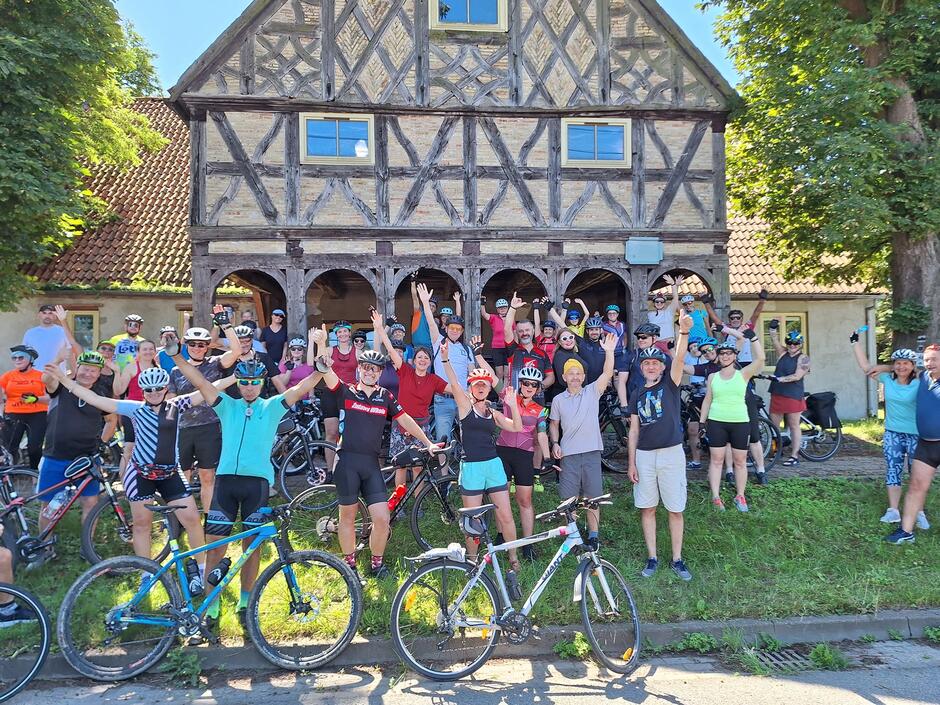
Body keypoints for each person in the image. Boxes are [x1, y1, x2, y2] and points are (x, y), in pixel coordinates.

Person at [168, 333, 325, 624]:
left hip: (257, 485)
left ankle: (245, 599)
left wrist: (319, 370)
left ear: (262, 383)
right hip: (226, 482)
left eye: (254, 382)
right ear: (238, 383)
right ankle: (212, 603)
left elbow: (302, 387)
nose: (249, 387)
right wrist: (177, 355)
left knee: (252, 546)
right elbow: (200, 382)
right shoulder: (228, 404)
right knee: (216, 544)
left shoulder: (272, 406)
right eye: (244, 382)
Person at [43, 360, 207, 585]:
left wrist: (237, 374)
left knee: (192, 519)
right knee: (141, 524)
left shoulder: (177, 405)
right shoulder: (134, 408)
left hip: (170, 473)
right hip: (139, 474)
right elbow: (97, 400)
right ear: (143, 392)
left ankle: (202, 568)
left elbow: (208, 389)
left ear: (166, 389)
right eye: (148, 390)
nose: (154, 393)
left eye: (159, 388)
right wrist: (63, 380)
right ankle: (146, 574)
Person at [321, 341, 437, 579]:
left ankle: (376, 565)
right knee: (348, 517)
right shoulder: (348, 391)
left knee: (383, 519)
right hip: (347, 462)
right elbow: (326, 371)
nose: (370, 371)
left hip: (371, 465)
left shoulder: (385, 396)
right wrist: (320, 343)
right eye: (366, 367)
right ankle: (350, 566)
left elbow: (406, 420)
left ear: (380, 372)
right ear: (360, 369)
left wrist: (427, 443)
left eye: (375, 369)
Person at [440, 346, 524, 589]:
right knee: (473, 521)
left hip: (493, 466)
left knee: (506, 516)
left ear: (488, 389)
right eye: (476, 384)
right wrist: (445, 358)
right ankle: (473, 562)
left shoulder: (492, 412)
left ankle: (513, 559)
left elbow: (516, 427)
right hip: (473, 468)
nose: (480, 387)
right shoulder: (465, 406)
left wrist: (513, 404)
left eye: (484, 384)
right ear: (471, 388)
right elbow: (454, 383)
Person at [628, 311, 693, 581]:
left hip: (670, 453)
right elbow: (633, 429)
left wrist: (684, 331)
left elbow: (679, 357)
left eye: (656, 363)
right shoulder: (636, 393)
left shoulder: (670, 384)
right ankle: (652, 556)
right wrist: (631, 462)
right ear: (641, 368)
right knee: (648, 507)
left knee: (675, 509)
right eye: (647, 364)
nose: (652, 367)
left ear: (662, 367)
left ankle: (677, 559)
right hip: (644, 455)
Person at [38, 352, 118, 547]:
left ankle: (87, 546)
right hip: (55, 455)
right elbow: (47, 380)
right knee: (48, 505)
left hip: (87, 459)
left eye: (93, 370)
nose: (88, 373)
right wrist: (57, 359)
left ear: (99, 374)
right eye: (85, 368)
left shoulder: (100, 394)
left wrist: (102, 443)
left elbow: (111, 420)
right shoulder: (62, 386)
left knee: (90, 503)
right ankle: (45, 546)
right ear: (77, 368)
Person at [548, 333, 618, 549]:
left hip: (591, 453)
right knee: (568, 499)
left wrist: (609, 352)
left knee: (593, 497)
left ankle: (594, 535)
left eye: (579, 373)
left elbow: (607, 373)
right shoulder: (558, 400)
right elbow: (553, 424)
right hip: (568, 455)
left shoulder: (592, 392)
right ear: (564, 377)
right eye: (571, 374)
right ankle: (573, 533)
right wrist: (555, 443)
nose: (576, 377)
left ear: (584, 376)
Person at [167, 307, 240, 509]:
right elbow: (172, 402)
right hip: (183, 429)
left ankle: (209, 518)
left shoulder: (215, 364)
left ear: (208, 347)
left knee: (208, 476)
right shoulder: (176, 370)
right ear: (186, 346)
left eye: (201, 345)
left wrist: (226, 325)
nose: (197, 348)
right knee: (183, 477)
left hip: (209, 427)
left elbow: (236, 351)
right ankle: (180, 519)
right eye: (192, 344)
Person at [371, 310, 451, 489]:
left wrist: (473, 391)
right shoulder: (405, 370)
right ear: (413, 360)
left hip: (421, 427)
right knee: (400, 467)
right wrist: (380, 329)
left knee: (418, 468)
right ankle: (399, 503)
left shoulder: (433, 380)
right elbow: (390, 350)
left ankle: (417, 504)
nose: (423, 360)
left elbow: (453, 389)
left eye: (426, 358)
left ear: (430, 362)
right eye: (419, 357)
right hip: (400, 425)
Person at [851, 339, 925, 526]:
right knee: (893, 470)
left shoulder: (921, 381)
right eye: (898, 363)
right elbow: (866, 367)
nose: (901, 367)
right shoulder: (887, 379)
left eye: (906, 363)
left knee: (916, 474)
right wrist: (855, 344)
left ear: (912, 366)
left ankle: (919, 512)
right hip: (893, 433)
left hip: (916, 433)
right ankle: (893, 511)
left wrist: (889, 367)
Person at [699, 328, 765, 512]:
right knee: (716, 461)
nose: (725, 356)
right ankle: (716, 497)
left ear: (735, 355)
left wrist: (755, 339)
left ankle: (740, 496)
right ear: (718, 356)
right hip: (717, 422)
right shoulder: (712, 376)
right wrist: (702, 422)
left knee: (740, 461)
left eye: (729, 353)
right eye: (722, 353)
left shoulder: (743, 374)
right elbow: (707, 400)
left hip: (739, 422)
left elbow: (760, 359)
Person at [885, 344, 940, 544]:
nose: (930, 363)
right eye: (926, 360)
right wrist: (885, 367)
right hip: (926, 444)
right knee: (916, 486)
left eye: (934, 359)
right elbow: (899, 368)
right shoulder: (923, 378)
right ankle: (906, 532)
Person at [496, 366, 551, 560]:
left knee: (525, 500)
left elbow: (542, 435)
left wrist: (547, 456)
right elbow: (494, 380)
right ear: (520, 383)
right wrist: (478, 356)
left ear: (537, 388)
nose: (529, 387)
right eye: (526, 383)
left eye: (533, 384)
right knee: (501, 499)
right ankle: (501, 535)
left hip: (524, 456)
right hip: (503, 452)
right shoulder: (508, 396)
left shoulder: (540, 410)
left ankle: (527, 543)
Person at [418, 284, 476, 444]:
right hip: (442, 399)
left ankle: (467, 469)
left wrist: (472, 396)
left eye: (458, 328)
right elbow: (430, 323)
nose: (455, 331)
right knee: (443, 440)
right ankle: (443, 470)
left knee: (469, 439)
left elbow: (472, 375)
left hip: (464, 398)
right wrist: (425, 302)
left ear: (462, 331)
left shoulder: (467, 349)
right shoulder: (439, 342)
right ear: (446, 328)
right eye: (452, 328)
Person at [768, 326, 811, 467]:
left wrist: (780, 379)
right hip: (777, 393)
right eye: (789, 342)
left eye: (796, 343)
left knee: (793, 425)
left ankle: (794, 455)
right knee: (774, 426)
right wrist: (773, 328)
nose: (792, 345)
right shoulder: (783, 353)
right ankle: (776, 451)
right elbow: (774, 339)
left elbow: (798, 375)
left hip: (793, 394)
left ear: (801, 344)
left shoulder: (803, 358)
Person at [0, 345, 49, 469]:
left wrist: (37, 399)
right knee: (10, 447)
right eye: (14, 358)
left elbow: (51, 398)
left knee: (34, 448)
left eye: (21, 357)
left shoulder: (41, 376)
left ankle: (35, 476)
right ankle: (10, 477)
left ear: (31, 360)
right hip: (13, 413)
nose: (17, 360)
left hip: (37, 414)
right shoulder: (8, 376)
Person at [503, 293, 554, 396]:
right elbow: (506, 329)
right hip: (515, 399)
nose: (524, 333)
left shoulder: (542, 353)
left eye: (527, 330)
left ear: (533, 331)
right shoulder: (513, 350)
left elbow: (551, 377)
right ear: (516, 333)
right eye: (521, 331)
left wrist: (540, 387)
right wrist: (512, 308)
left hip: (537, 400)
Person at [681, 337, 719, 470]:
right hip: (701, 399)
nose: (707, 353)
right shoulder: (707, 367)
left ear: (716, 348)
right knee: (692, 430)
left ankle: (720, 464)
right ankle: (696, 461)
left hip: (719, 405)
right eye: (704, 352)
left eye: (709, 349)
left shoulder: (728, 363)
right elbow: (687, 368)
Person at [225, 325, 279, 399]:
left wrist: (289, 404)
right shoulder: (226, 360)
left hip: (259, 405)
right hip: (234, 406)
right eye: (240, 342)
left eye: (247, 341)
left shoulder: (264, 358)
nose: (244, 344)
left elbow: (277, 382)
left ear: (252, 340)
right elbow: (220, 386)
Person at [22, 304, 69, 369]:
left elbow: (71, 351)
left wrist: (73, 372)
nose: (47, 316)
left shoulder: (63, 331)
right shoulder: (30, 333)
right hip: (35, 374)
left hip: (57, 374)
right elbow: (24, 354)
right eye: (44, 313)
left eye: (50, 313)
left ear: (55, 316)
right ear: (39, 315)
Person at [482, 295, 514, 383]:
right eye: (500, 308)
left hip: (509, 348)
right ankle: (500, 395)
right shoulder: (494, 318)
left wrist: (516, 346)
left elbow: (514, 333)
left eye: (504, 307)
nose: (502, 309)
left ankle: (507, 395)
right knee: (499, 374)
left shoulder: (511, 319)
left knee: (507, 374)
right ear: (497, 309)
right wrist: (482, 303)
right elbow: (484, 314)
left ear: (507, 308)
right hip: (497, 348)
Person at [648, 274, 682, 353]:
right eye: (657, 301)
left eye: (661, 301)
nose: (659, 303)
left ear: (664, 303)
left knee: (673, 363)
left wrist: (673, 285)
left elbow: (675, 298)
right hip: (655, 343)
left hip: (668, 343)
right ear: (654, 303)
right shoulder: (649, 314)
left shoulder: (669, 312)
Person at [410, 275, 437, 349]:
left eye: (433, 306)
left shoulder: (435, 321)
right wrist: (413, 283)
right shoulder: (419, 313)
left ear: (435, 310)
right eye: (429, 305)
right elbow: (415, 298)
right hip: (417, 348)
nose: (431, 307)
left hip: (430, 349)